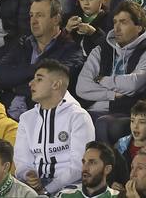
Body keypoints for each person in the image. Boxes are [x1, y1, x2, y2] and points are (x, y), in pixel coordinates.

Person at [14, 61, 94, 196]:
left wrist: (47, 190)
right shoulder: (26, 118)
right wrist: (28, 174)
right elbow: (22, 161)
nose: (31, 83)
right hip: (32, 188)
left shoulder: (78, 117)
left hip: (70, 187)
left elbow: (78, 166)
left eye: (39, 79)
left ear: (56, 84)